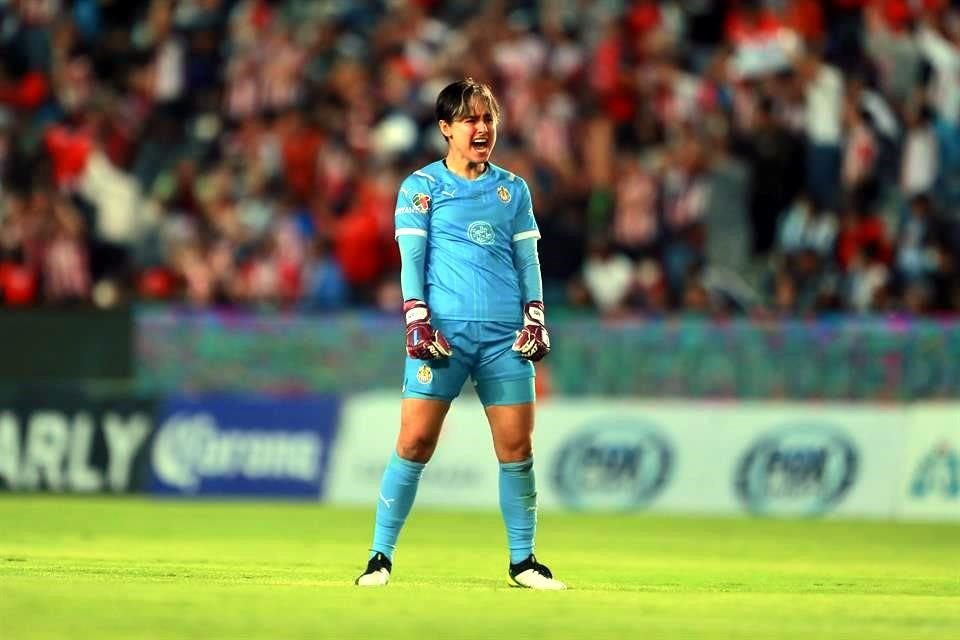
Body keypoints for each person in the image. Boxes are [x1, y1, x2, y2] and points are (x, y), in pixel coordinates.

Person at [354, 78, 565, 590]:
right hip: (441, 336)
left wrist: (535, 314)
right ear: (446, 128)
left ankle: (523, 562)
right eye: (471, 119)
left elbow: (527, 258)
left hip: (504, 339)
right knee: (415, 441)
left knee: (517, 448)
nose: (482, 128)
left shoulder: (512, 189)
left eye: (488, 118)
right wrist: (416, 317)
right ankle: (379, 558)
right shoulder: (421, 188)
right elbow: (413, 259)